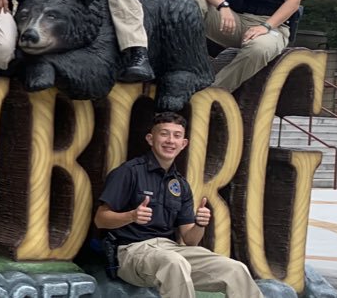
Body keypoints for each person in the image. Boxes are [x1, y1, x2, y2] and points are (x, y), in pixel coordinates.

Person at [95, 112, 262, 298]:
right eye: (164, 134)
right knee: (174, 262)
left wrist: (200, 224)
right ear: (151, 139)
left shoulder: (180, 184)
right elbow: (100, 219)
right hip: (131, 252)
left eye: (176, 135)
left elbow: (190, 240)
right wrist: (131, 216)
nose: (170, 140)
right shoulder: (128, 172)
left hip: (171, 249)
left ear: (183, 144)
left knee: (235, 269)